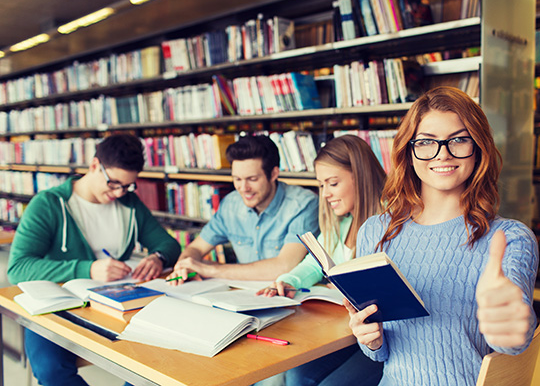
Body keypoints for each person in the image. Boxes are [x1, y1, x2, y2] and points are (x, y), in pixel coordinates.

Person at [344, 86, 539, 385]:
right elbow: (379, 354)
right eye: (425, 142)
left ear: (479, 147)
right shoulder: (375, 230)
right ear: (409, 152)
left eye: (459, 140)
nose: (443, 154)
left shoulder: (510, 238)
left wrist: (510, 322)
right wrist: (369, 339)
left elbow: (515, 343)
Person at [7, 133, 181, 386]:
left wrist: (158, 256)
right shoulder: (48, 204)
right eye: (113, 183)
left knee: (154, 360)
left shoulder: (130, 204)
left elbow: (169, 245)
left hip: (116, 305)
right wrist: (88, 269)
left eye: (128, 185)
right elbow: (18, 268)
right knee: (50, 368)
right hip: (56, 307)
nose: (119, 192)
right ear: (93, 166)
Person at [260, 134, 386, 386]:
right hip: (346, 333)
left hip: (380, 339)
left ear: (360, 176)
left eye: (333, 183)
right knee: (296, 375)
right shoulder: (340, 224)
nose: (326, 193)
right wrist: (288, 281)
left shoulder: (389, 224)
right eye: (321, 185)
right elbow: (313, 263)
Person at [168, 135, 319, 283]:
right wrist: (184, 266)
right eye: (237, 179)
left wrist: (211, 269)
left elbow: (285, 266)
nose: (243, 188)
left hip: (293, 297)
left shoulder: (304, 205)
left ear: (273, 174)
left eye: (252, 179)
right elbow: (196, 248)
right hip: (241, 295)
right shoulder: (230, 204)